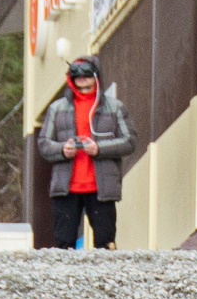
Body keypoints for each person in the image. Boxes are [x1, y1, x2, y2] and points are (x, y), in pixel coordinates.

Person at [37, 57, 134, 251]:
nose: (82, 79)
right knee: (63, 247)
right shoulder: (57, 109)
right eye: (77, 75)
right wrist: (62, 150)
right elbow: (43, 144)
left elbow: (129, 141)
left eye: (87, 74)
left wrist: (99, 148)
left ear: (96, 76)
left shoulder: (115, 108)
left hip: (101, 188)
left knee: (105, 245)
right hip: (66, 189)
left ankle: (106, 272)